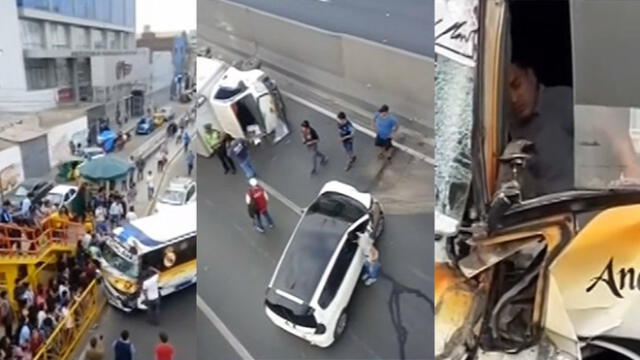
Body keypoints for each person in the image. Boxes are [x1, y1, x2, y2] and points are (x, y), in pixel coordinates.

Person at [507, 60, 574, 197]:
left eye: (517, 85)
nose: (513, 99)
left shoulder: (562, 101)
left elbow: (613, 137)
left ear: (531, 76)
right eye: (505, 93)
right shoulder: (500, 129)